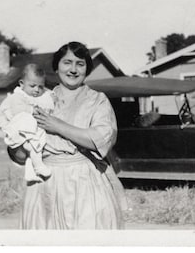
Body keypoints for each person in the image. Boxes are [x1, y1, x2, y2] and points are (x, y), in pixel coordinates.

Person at [20, 41, 127, 229]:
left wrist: (58, 125)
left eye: (80, 63)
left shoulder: (97, 100)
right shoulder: (40, 99)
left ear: (87, 69)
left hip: (84, 182)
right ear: (56, 67)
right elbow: (21, 151)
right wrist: (17, 144)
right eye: (67, 62)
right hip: (45, 184)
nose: (73, 69)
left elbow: (101, 139)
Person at [0, 63, 55, 183]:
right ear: (22, 84)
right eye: (32, 86)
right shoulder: (18, 96)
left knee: (35, 145)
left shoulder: (42, 94)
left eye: (40, 86)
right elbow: (17, 110)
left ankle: (30, 172)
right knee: (34, 142)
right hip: (21, 129)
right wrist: (32, 110)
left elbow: (49, 99)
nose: (37, 90)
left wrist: (52, 98)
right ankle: (38, 166)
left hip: (33, 129)